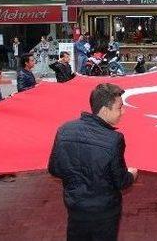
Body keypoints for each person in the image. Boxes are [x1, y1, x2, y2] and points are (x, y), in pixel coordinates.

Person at [49, 83, 138, 241]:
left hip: (75, 208)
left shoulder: (64, 130)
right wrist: (131, 175)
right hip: (104, 213)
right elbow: (121, 182)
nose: (123, 112)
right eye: (119, 107)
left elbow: (54, 169)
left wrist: (76, 176)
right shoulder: (114, 139)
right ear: (104, 110)